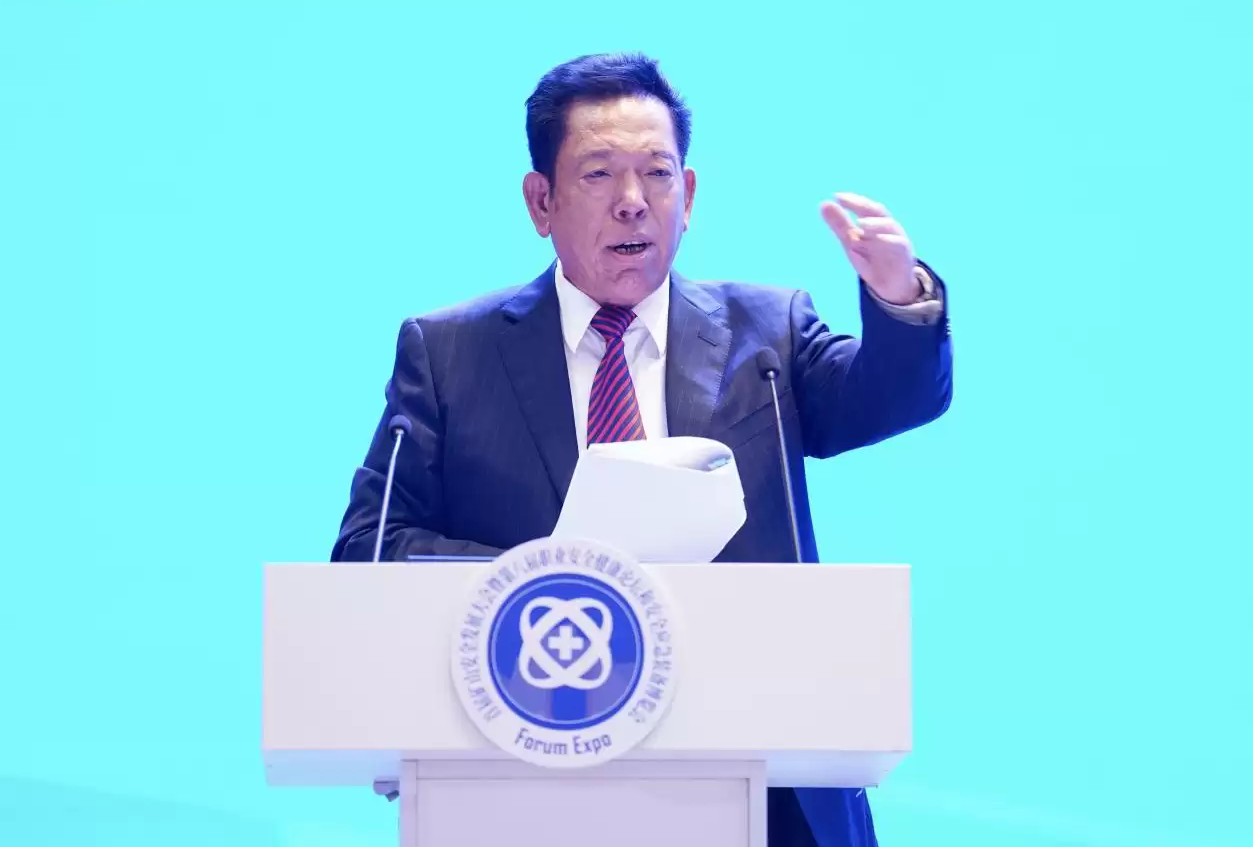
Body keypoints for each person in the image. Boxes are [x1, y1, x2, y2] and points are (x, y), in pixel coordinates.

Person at [331, 52, 952, 847]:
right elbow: (371, 546)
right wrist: (555, 582)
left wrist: (900, 299)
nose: (633, 201)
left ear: (687, 196)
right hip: (525, 775)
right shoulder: (451, 353)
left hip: (765, 783)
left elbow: (891, 397)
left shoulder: (768, 335)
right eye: (598, 174)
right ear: (541, 202)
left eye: (657, 174)